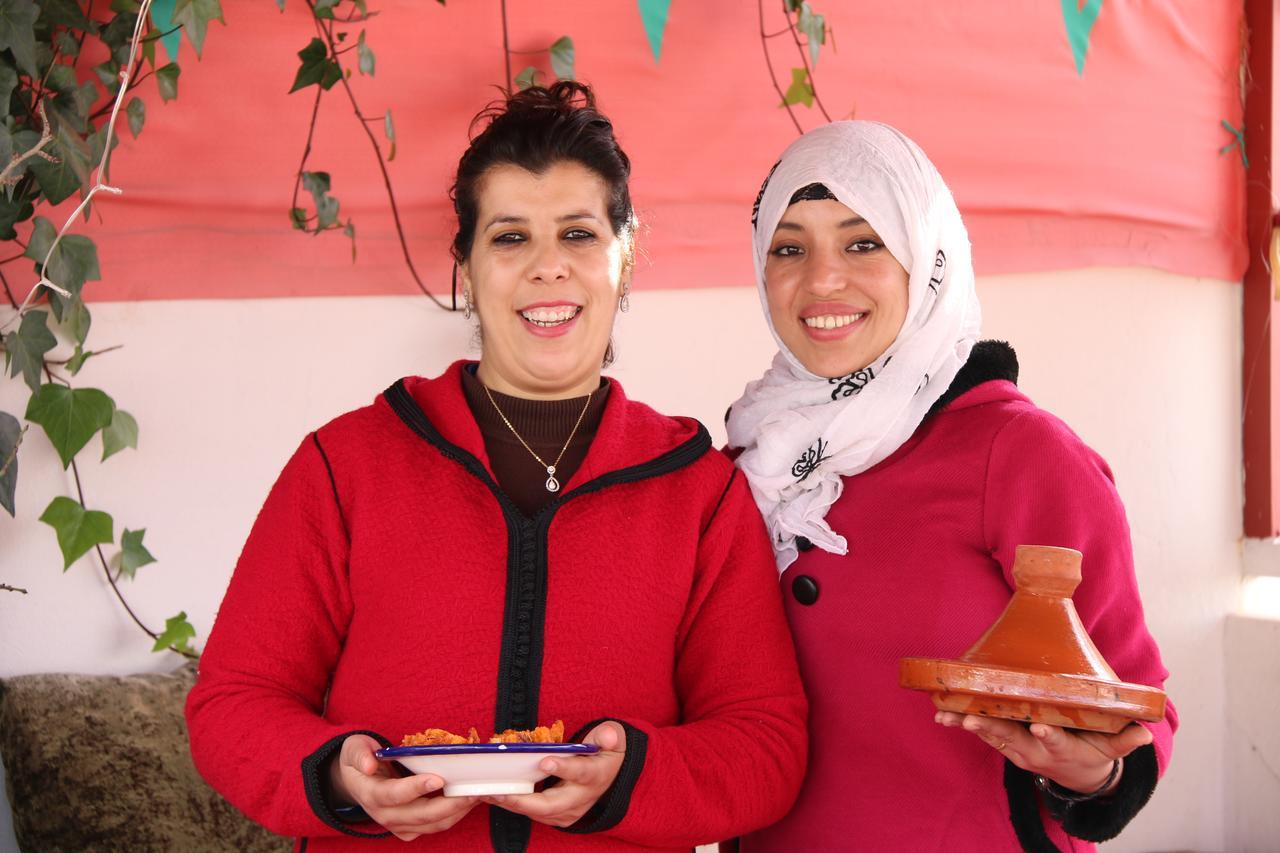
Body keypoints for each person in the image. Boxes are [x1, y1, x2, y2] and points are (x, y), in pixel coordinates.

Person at [186, 82, 807, 852]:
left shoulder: (698, 490)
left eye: (579, 234)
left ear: (626, 254)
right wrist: (337, 778)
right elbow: (233, 705)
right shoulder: (344, 467)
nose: (548, 268)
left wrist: (632, 776)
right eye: (511, 237)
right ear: (468, 266)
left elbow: (765, 745)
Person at [726, 121, 1176, 852]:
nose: (821, 279)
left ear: (926, 257)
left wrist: (1090, 773)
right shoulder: (751, 458)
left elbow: (1136, 696)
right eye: (789, 247)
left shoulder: (1020, 453)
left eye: (864, 242)